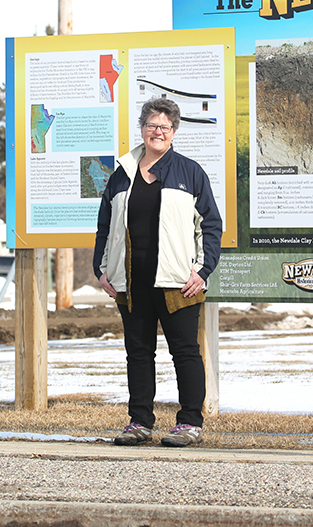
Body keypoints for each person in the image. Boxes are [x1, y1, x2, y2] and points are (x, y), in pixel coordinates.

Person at [94, 98, 222, 448]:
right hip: (131, 283)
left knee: (184, 351)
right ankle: (139, 421)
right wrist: (101, 269)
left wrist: (203, 269)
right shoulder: (122, 173)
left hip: (178, 283)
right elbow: (105, 225)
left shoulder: (189, 172)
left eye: (165, 127)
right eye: (152, 125)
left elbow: (210, 225)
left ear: (174, 132)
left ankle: (190, 422)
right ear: (142, 128)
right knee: (138, 352)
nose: (158, 132)